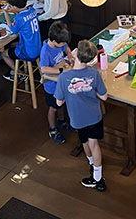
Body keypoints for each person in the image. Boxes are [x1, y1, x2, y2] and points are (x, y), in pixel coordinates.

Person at [55, 40, 108, 192]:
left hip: (77, 118)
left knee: (84, 140)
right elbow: (104, 97)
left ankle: (91, 163)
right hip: (94, 116)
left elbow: (59, 102)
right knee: (94, 143)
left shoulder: (64, 78)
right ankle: (98, 178)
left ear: (76, 53)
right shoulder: (94, 74)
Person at [40, 21, 75, 144]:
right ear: (54, 41)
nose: (64, 44)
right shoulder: (46, 50)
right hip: (51, 85)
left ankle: (62, 121)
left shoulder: (60, 43)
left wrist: (70, 55)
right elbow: (43, 68)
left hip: (60, 82)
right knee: (53, 107)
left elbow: (66, 48)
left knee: (61, 103)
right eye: (62, 43)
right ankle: (52, 129)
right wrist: (61, 70)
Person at [1, 0, 42, 81]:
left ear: (15, 7)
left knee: (4, 54)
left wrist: (6, 13)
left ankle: (20, 73)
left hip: (28, 53)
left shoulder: (19, 18)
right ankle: (16, 70)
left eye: (11, 6)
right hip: (38, 47)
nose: (10, 7)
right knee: (12, 45)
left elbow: (13, 29)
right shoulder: (32, 10)